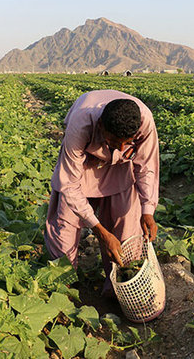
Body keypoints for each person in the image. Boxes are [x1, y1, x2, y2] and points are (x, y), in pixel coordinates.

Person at [44, 89, 159, 297]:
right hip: (85, 165)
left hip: (121, 168)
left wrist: (148, 210)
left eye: (127, 142)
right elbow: (69, 184)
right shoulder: (81, 124)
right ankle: (63, 292)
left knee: (126, 229)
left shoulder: (144, 122)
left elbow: (147, 167)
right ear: (101, 127)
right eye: (115, 141)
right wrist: (100, 231)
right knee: (65, 229)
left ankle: (117, 291)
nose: (121, 146)